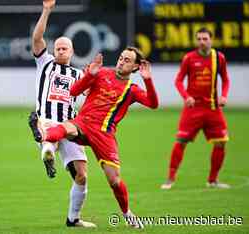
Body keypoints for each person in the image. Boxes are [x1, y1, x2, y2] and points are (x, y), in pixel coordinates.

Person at [29, 47, 159, 228]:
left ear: (136, 67)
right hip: (84, 122)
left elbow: (153, 104)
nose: (121, 61)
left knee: (114, 180)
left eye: (127, 60)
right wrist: (90, 75)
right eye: (121, 58)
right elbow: (74, 91)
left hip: (105, 134)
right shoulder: (102, 73)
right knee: (67, 128)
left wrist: (148, 80)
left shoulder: (132, 90)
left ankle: (127, 213)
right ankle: (44, 135)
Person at [27, 0, 96, 228]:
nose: (60, 50)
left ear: (72, 51)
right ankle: (47, 148)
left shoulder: (78, 74)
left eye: (64, 48)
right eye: (57, 47)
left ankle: (73, 219)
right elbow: (37, 39)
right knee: (45, 126)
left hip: (71, 126)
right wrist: (46, 10)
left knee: (82, 176)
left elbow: (92, 95)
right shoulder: (44, 63)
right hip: (47, 121)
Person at [161, 27, 230, 190]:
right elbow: (178, 81)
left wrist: (224, 95)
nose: (202, 42)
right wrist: (186, 97)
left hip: (213, 108)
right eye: (199, 39)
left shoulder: (219, 58)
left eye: (205, 38)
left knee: (221, 142)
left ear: (211, 40)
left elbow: (226, 80)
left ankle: (213, 180)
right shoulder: (189, 58)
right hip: (192, 110)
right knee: (181, 141)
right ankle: (170, 180)